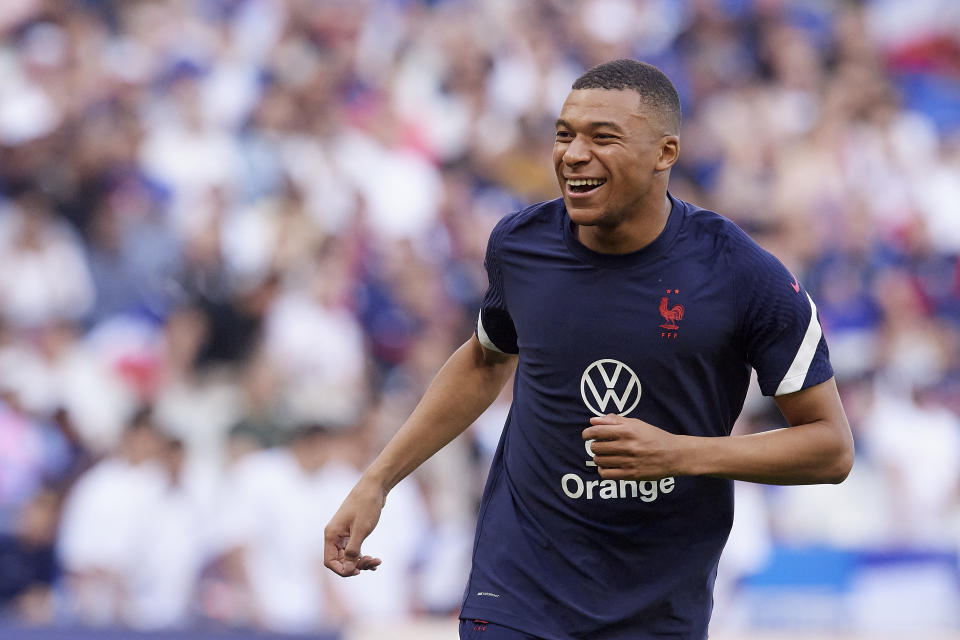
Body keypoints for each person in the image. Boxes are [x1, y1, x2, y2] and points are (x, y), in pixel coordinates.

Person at [324, 59, 854, 640]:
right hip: (517, 592)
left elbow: (830, 448)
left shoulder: (742, 274)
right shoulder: (521, 245)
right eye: (564, 134)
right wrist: (377, 480)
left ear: (665, 153)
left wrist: (681, 454)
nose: (574, 154)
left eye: (602, 137)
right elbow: (483, 359)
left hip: (656, 609)